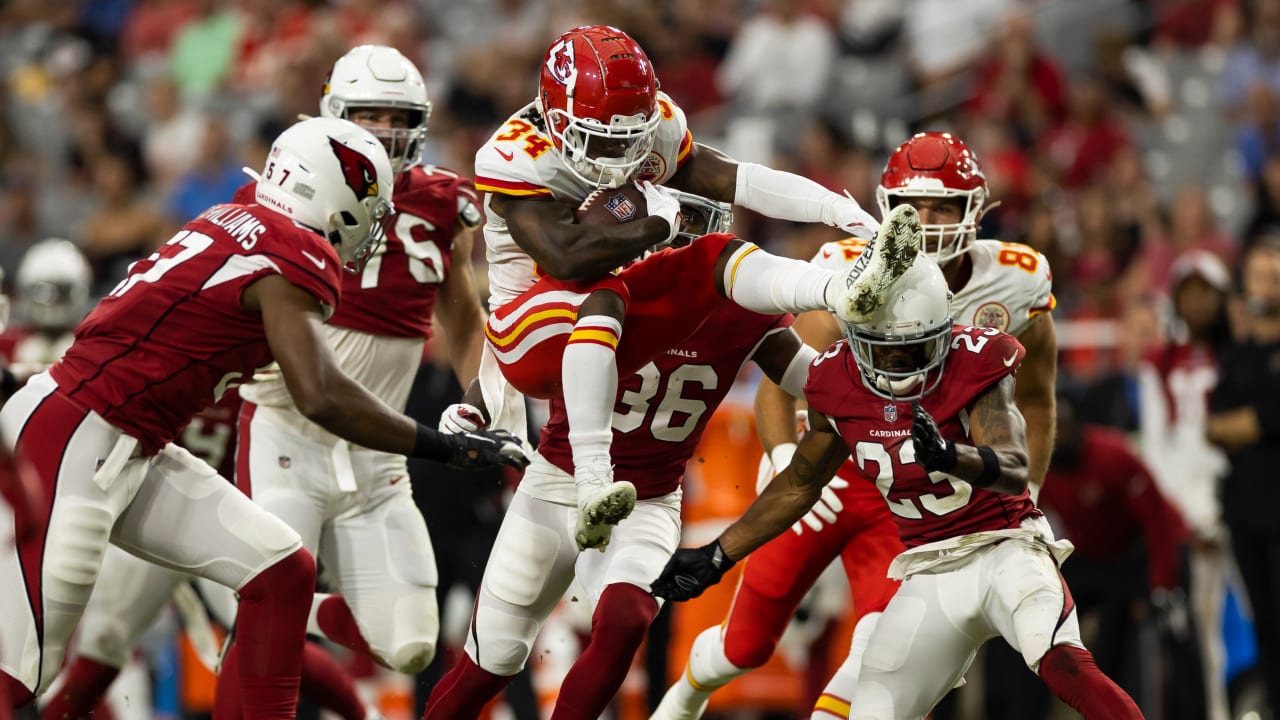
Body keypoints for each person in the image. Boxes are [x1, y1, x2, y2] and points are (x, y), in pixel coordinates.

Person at [0, 116, 526, 719]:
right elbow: (321, 395)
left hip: (124, 440)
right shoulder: (291, 253)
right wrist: (443, 447)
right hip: (77, 440)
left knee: (281, 571)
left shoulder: (233, 221)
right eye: (368, 203)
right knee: (19, 676)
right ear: (330, 194)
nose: (374, 223)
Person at [654, 130, 1058, 719]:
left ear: (977, 209)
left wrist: (1030, 492)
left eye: (943, 205)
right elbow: (787, 381)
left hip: (920, 496)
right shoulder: (850, 267)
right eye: (911, 207)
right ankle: (685, 697)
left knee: (879, 646)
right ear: (884, 208)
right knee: (743, 645)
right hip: (839, 472)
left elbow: (1039, 401)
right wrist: (781, 459)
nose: (924, 221)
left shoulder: (1016, 281)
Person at [652, 250, 1143, 719]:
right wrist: (718, 554)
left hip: (1004, 551)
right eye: (882, 351)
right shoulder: (837, 378)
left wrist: (952, 455)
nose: (895, 365)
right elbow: (801, 482)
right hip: (929, 573)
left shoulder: (977, 360)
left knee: (1060, 661)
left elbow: (1014, 463)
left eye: (911, 351)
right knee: (874, 709)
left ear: (942, 334)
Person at [467, 23, 894, 553]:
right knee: (608, 290)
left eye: (632, 137)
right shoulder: (516, 155)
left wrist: (840, 211)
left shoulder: (657, 130)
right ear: (557, 120)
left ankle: (838, 288)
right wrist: (656, 226)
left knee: (714, 257)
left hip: (608, 336)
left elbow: (744, 181)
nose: (620, 158)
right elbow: (566, 259)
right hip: (530, 334)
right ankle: (593, 479)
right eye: (604, 137)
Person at [422, 190, 823, 720]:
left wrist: (882, 388)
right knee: (489, 662)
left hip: (648, 501)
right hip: (557, 484)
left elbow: (817, 381)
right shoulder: (597, 285)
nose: (680, 241)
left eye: (694, 227)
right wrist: (476, 406)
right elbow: (517, 353)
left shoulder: (743, 309)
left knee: (626, 618)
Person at [222, 43, 489, 699]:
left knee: (411, 644)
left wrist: (486, 399)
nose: (385, 133)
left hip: (379, 455)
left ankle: (299, 614)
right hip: (287, 434)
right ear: (335, 114)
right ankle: (272, 622)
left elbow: (461, 317)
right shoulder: (284, 190)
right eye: (369, 116)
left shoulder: (442, 201)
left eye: (398, 118)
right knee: (266, 631)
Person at [1137, 249, 1234, 720]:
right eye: (1188, 293)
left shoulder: (1237, 352)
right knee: (1203, 624)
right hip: (1191, 507)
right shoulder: (1158, 361)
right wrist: (1184, 512)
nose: (1197, 304)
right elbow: (1156, 448)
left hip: (1238, 497)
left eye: (1206, 293)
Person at [1208, 239, 1280, 713]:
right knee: (1266, 627)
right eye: (1257, 277)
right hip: (1246, 512)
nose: (1266, 287)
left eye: (1274, 277)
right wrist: (1247, 423)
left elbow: (1257, 420)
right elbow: (1213, 424)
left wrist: (1245, 424)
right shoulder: (1237, 355)